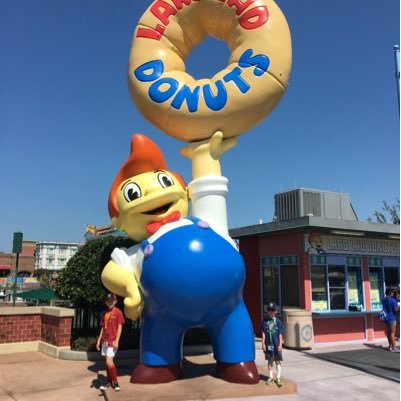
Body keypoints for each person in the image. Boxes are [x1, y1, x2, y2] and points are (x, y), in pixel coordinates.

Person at [96, 293, 125, 391]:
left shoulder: (118, 312)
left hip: (112, 341)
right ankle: (108, 381)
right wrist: (99, 340)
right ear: (105, 302)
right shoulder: (105, 313)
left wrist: (117, 341)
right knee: (107, 362)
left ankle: (116, 383)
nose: (110, 302)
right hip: (104, 341)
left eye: (112, 301)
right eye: (108, 301)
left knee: (109, 361)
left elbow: (120, 327)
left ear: (115, 301)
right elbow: (103, 328)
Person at [261, 302, 285, 387]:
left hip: (276, 344)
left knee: (277, 360)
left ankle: (278, 377)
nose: (270, 312)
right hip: (268, 345)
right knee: (270, 361)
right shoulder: (265, 321)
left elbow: (280, 334)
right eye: (269, 310)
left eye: (272, 310)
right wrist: (263, 344)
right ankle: (270, 377)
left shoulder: (278, 322)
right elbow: (263, 333)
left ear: (276, 311)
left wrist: (280, 345)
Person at [382, 288, 399, 352]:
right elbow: (396, 310)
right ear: (391, 293)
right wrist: (399, 307)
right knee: (392, 333)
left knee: (389, 332)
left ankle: (390, 346)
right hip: (392, 317)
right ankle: (394, 347)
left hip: (386, 317)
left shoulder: (384, 299)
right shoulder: (392, 300)